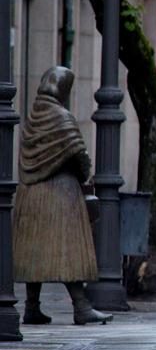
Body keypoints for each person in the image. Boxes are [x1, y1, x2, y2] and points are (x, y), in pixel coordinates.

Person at [14, 67, 112, 325]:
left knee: (35, 251)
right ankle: (81, 307)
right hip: (60, 195)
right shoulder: (63, 117)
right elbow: (80, 158)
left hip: (31, 195)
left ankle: (31, 306)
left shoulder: (31, 119)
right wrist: (83, 174)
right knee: (68, 250)